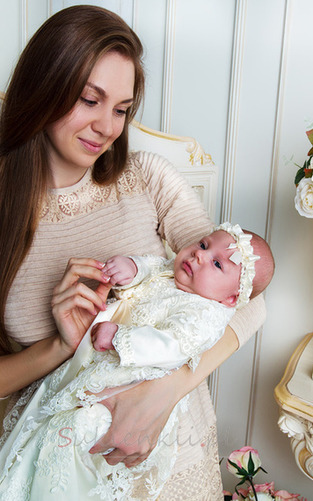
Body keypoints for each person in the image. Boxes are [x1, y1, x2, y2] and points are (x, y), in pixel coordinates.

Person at [0, 5, 267, 500]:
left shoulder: (145, 177)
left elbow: (248, 291)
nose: (106, 126)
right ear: (44, 87)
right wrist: (60, 347)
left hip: (172, 466)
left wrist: (164, 393)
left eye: (121, 109)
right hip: (57, 471)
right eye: (88, 99)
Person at [0, 224, 274, 500]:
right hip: (93, 370)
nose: (199, 256)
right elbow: (154, 266)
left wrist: (122, 337)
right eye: (203, 245)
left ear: (230, 299)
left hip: (128, 387)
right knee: (48, 430)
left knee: (78, 438)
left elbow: (173, 345)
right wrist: (132, 268)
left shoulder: (206, 313)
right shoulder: (175, 272)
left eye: (217, 263)